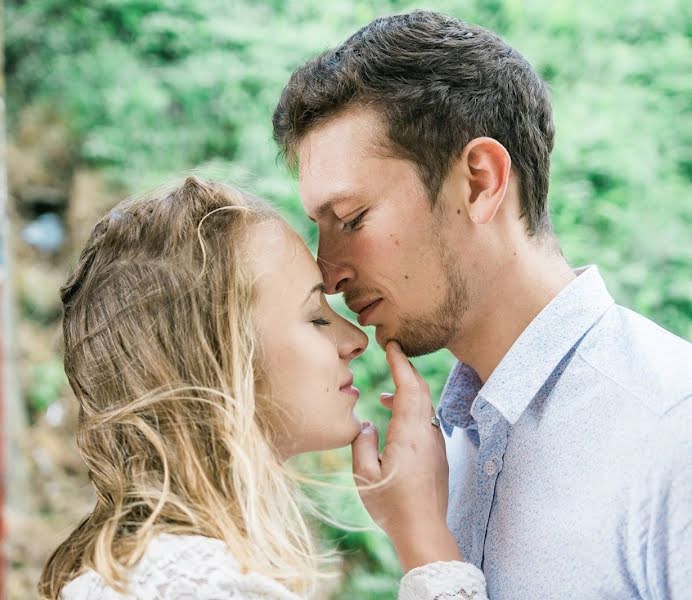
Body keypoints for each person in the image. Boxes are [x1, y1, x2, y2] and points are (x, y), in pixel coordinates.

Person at [273, 9, 692, 598]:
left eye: (350, 219)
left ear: (479, 181)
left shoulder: (674, 430)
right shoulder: (443, 458)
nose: (329, 272)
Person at [37, 177, 488, 599]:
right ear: (218, 358)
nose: (353, 340)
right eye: (315, 316)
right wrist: (425, 540)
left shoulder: (149, 568)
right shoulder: (204, 583)